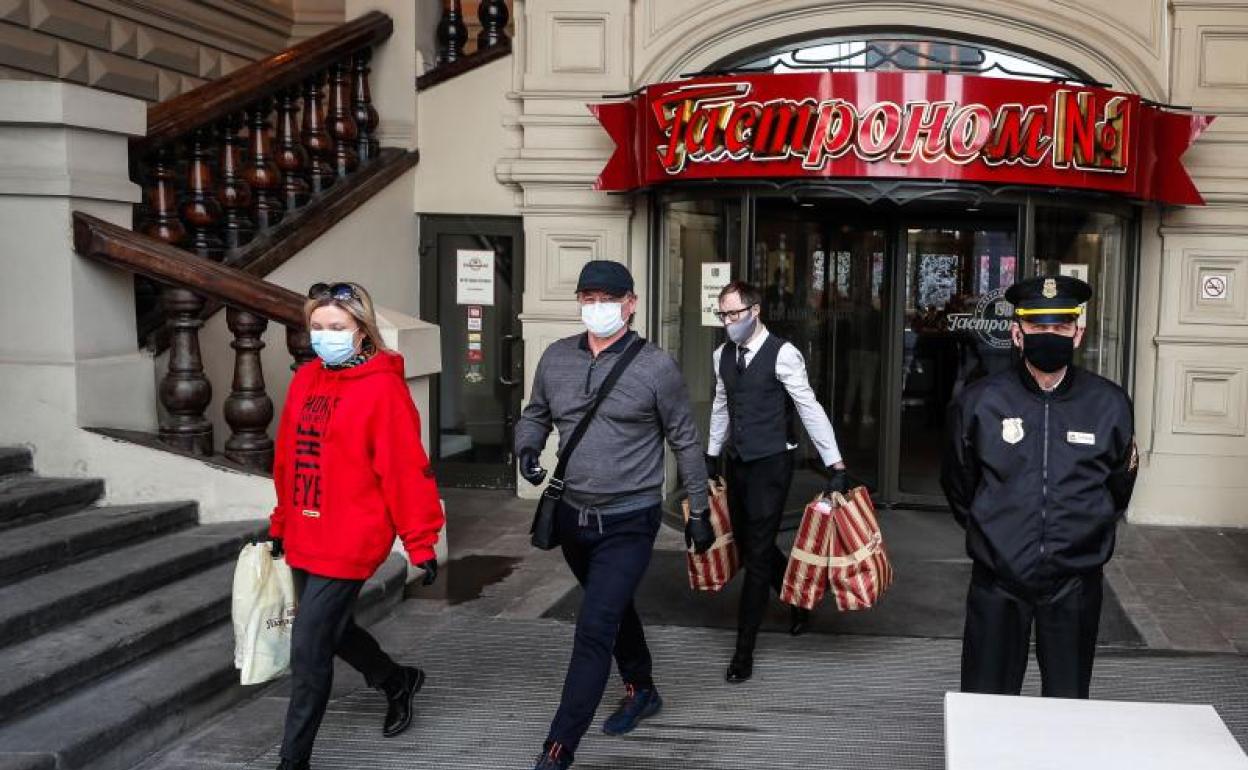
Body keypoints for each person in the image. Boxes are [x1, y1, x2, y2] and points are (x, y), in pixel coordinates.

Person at [515, 260, 714, 770]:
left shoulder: (655, 367)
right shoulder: (556, 358)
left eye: (607, 298)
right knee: (613, 606)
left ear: (630, 303)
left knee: (593, 625)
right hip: (573, 517)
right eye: (587, 297)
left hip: (630, 520)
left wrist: (699, 510)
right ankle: (642, 689)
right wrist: (527, 447)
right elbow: (535, 412)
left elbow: (686, 441)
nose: (596, 307)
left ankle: (558, 748)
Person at [268, 281, 445, 770]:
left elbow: (405, 470)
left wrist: (421, 539)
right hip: (305, 529)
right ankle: (395, 680)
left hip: (351, 537)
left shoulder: (383, 388)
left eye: (338, 327)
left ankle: (293, 761)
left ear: (363, 332)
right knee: (334, 629)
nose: (325, 336)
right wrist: (281, 519)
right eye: (318, 327)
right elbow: (288, 458)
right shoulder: (305, 379)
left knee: (308, 648)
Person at [941, 275, 1138, 699]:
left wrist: (1085, 534)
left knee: (1067, 702)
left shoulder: (1109, 403)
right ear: (1017, 332)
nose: (1050, 336)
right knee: (986, 700)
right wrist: (997, 533)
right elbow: (959, 484)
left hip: (1074, 581)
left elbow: (1119, 485)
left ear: (1078, 332)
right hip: (998, 578)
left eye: (1061, 327)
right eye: (1038, 327)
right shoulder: (980, 401)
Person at [705, 280, 849, 684]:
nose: (728, 322)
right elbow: (721, 405)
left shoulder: (784, 354)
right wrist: (712, 455)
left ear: (754, 312)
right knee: (754, 548)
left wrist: (834, 464)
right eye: (723, 315)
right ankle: (802, 599)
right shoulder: (722, 356)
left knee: (758, 553)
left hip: (772, 463)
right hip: (739, 462)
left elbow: (809, 407)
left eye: (734, 314)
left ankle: (743, 651)